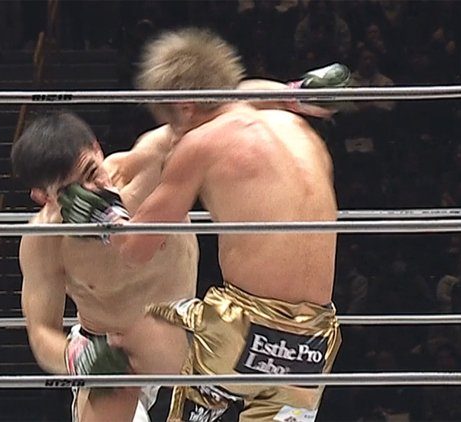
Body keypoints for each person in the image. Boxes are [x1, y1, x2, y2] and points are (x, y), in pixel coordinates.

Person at [108, 28, 342, 421]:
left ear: (185, 108)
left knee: (119, 323)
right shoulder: (298, 130)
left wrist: (104, 213)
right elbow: (242, 96)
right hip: (313, 344)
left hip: (242, 332)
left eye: (174, 124)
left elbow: (135, 250)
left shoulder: (201, 143)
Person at [11, 112, 198, 422]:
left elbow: (215, 111)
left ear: (97, 149)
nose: (92, 191)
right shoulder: (44, 241)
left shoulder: (149, 166)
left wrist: (285, 94)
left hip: (185, 339)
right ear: (43, 197)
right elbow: (41, 332)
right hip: (112, 353)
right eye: (71, 192)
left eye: (91, 172)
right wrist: (78, 358)